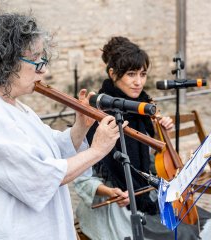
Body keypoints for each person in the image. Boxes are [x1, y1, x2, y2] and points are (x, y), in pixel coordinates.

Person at [0, 14, 128, 240]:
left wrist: (80, 128)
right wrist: (97, 150)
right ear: (6, 61)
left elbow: (51, 151)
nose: (43, 71)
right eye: (37, 62)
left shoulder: (11, 103)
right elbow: (39, 176)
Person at [74, 36, 211, 240]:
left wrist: (159, 133)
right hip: (115, 207)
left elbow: (152, 165)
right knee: (182, 234)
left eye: (143, 74)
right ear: (112, 74)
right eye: (131, 74)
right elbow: (82, 180)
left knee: (203, 221)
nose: (139, 82)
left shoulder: (143, 108)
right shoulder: (95, 115)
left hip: (147, 197)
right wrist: (111, 192)